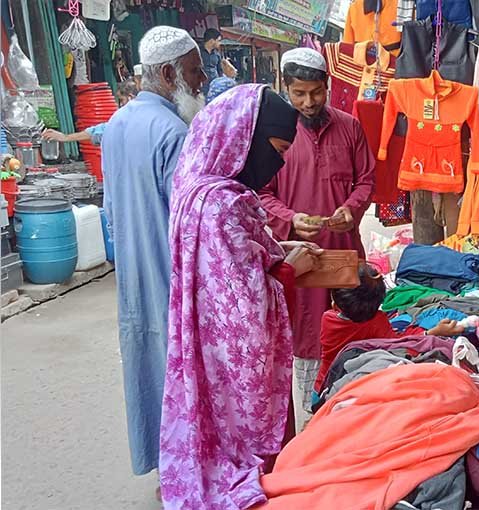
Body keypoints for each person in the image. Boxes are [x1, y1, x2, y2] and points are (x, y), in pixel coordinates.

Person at [160, 83, 320, 508]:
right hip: (233, 357)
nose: (279, 163)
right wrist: (289, 268)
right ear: (244, 138)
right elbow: (244, 301)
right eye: (276, 148)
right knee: (248, 449)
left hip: (203, 346)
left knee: (211, 423)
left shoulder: (196, 187)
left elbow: (236, 259)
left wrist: (278, 250)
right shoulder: (224, 204)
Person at [100, 25, 206, 479]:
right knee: (178, 375)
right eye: (194, 72)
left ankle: (162, 467)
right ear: (168, 73)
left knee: (144, 367)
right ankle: (182, 477)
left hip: (131, 279)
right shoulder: (173, 131)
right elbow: (189, 224)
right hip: (170, 277)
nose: (201, 82)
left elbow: (110, 210)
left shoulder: (117, 124)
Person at [259, 47, 376, 431]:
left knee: (352, 326)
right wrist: (291, 219)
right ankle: (314, 424)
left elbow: (366, 180)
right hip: (301, 256)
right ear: (286, 89)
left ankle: (353, 413)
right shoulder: (275, 136)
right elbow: (261, 194)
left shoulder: (350, 126)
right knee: (308, 336)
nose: (308, 103)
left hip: (343, 252)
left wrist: (351, 209)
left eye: (316, 92)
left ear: (327, 86)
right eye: (299, 94)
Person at [314, 263, 464, 394]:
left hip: (323, 386)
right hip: (350, 385)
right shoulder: (377, 322)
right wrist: (434, 332)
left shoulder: (328, 319)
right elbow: (400, 343)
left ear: (335, 305)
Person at [41, 80, 139, 146]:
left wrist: (65, 137)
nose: (120, 105)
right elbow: (98, 131)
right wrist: (65, 137)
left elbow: (101, 131)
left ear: (131, 98)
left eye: (122, 100)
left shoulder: (129, 121)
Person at [200, 28, 236, 93]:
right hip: (202, 88)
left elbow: (220, 71)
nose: (220, 43)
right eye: (218, 40)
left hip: (215, 87)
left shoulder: (217, 54)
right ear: (212, 41)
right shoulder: (198, 52)